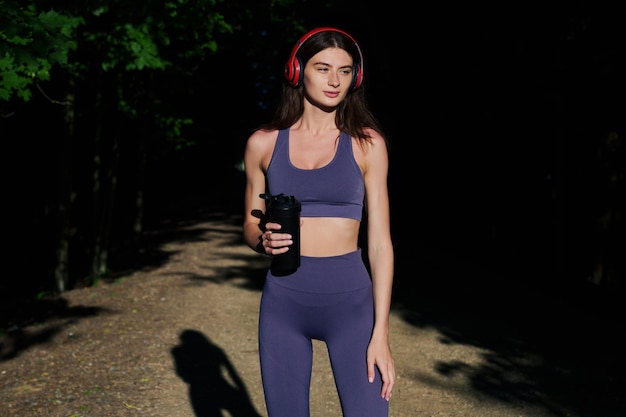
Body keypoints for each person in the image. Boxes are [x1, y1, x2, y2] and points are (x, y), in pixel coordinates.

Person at [242, 26, 396, 417]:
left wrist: (381, 332)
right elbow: (249, 222)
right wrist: (262, 240)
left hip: (351, 304)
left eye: (345, 71)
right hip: (284, 301)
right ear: (298, 71)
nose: (334, 80)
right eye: (323, 67)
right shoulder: (263, 143)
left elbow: (379, 243)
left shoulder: (367, 144)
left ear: (355, 78)